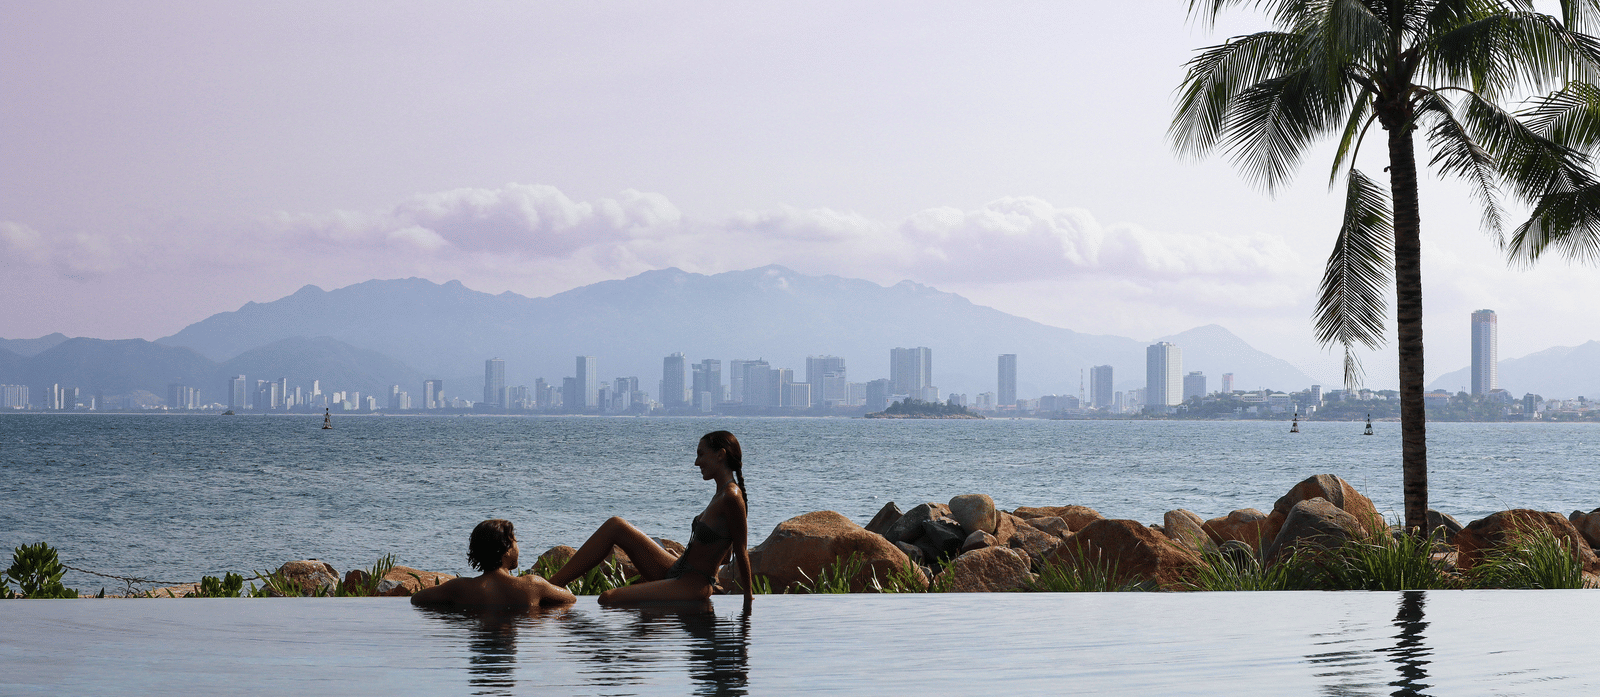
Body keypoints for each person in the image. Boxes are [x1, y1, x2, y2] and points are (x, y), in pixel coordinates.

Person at [549, 430, 753, 605]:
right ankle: (551, 586)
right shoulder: (721, 493)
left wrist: (748, 597)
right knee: (616, 525)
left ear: (720, 455)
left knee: (608, 598)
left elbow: (741, 550)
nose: (696, 462)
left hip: (693, 584)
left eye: (701, 454)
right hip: (677, 568)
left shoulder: (731, 497)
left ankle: (555, 594)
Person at [411, 519, 575, 607]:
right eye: (516, 542)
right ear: (507, 549)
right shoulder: (533, 585)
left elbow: (416, 599)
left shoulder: (459, 588)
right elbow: (571, 599)